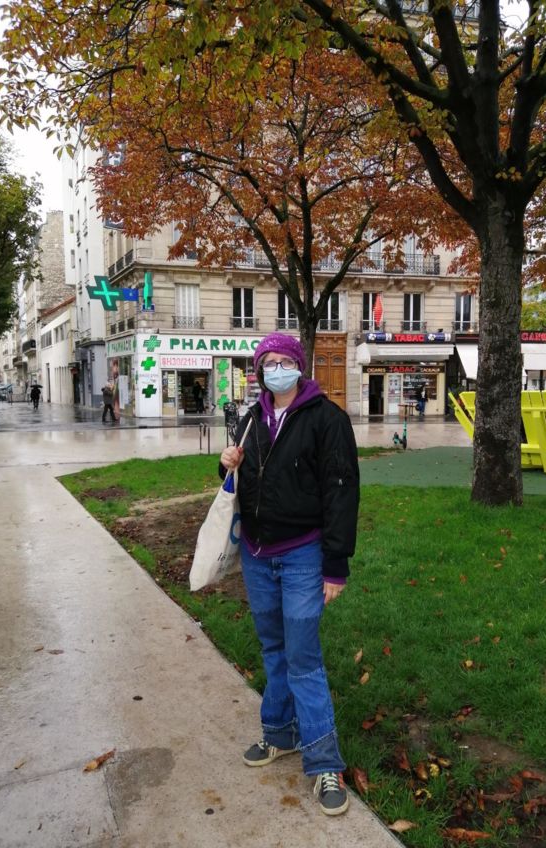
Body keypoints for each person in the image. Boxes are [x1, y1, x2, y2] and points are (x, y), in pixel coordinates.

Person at [219, 333, 359, 817]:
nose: (276, 369)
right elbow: (242, 486)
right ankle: (281, 733)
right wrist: (226, 466)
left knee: (303, 659)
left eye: (284, 361)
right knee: (273, 649)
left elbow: (341, 492)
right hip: (258, 555)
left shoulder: (327, 419)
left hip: (302, 555)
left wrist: (335, 565)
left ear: (300, 365)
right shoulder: (251, 418)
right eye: (268, 362)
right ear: (258, 369)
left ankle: (325, 762)